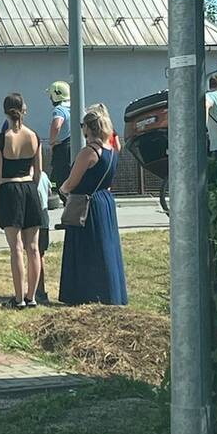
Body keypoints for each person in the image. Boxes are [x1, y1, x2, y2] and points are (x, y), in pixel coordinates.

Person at [59, 105, 128, 306]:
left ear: (88, 128)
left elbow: (72, 182)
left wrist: (62, 190)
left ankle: (85, 292)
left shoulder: (89, 152)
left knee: (87, 249)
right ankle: (111, 292)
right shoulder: (112, 150)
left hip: (86, 203)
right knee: (106, 247)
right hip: (105, 201)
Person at [0, 93, 44, 309]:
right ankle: (32, 297)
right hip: (30, 188)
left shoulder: (1, 140)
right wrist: (33, 189)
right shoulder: (34, 137)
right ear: (24, 110)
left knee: (16, 248)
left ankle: (19, 298)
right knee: (33, 248)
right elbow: (39, 172)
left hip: (9, 189)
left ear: (5, 112)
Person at [47, 81, 72, 190]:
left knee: (59, 178)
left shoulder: (59, 110)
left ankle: (57, 194)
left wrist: (52, 141)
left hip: (62, 148)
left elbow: (56, 125)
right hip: (76, 146)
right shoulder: (76, 107)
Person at [34, 170, 53, 305]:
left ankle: (37, 289)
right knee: (40, 254)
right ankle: (40, 288)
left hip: (34, 213)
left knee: (34, 254)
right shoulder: (44, 175)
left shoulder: (27, 176)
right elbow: (49, 193)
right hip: (44, 214)